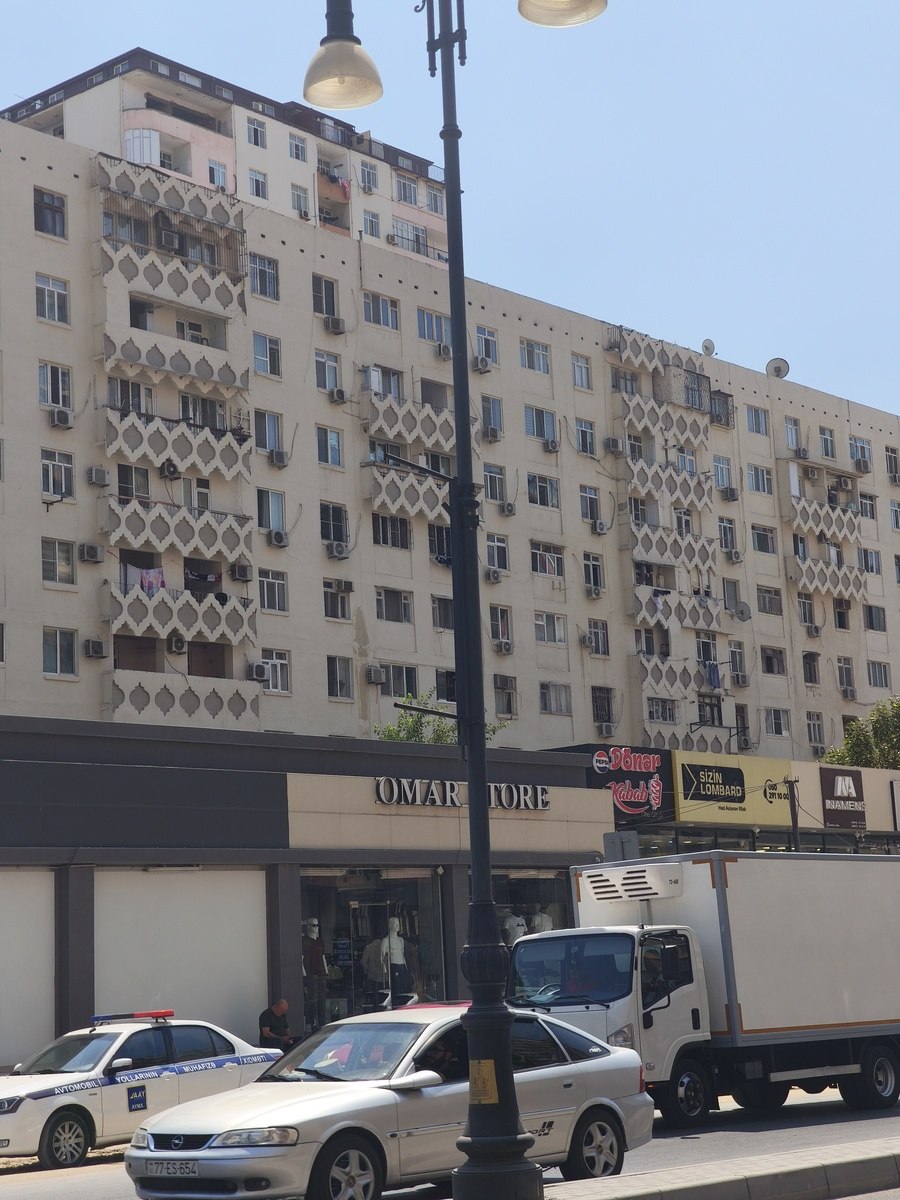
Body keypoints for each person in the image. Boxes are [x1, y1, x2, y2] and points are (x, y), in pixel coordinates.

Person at [303, 918, 329, 1031]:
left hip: (321, 974)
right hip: (310, 974)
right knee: (312, 1000)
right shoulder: (304, 941)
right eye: (314, 925)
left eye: (317, 926)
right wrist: (304, 974)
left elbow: (323, 957)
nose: (316, 928)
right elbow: (301, 959)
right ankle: (312, 1023)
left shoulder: (320, 941)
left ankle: (322, 1023)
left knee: (322, 1000)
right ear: (308, 926)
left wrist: (326, 971)